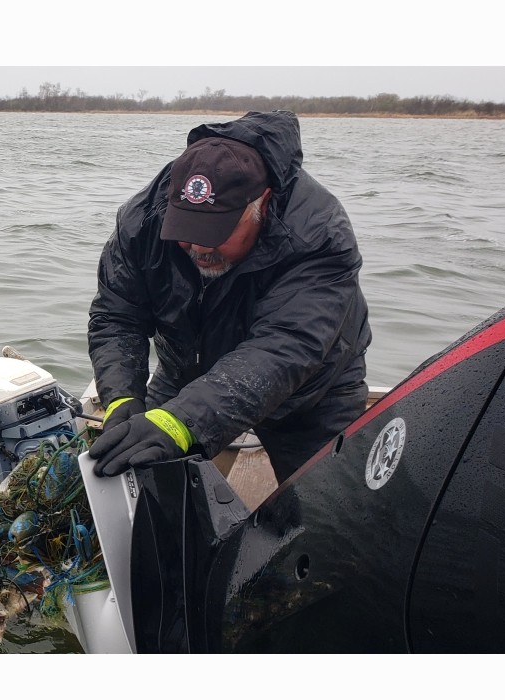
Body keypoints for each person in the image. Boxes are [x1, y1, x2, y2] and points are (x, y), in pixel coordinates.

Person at [87, 110, 371, 483]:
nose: (199, 246)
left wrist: (184, 421)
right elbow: (117, 316)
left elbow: (284, 347)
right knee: (139, 474)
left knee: (326, 512)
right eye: (187, 229)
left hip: (310, 395)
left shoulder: (318, 234)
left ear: (262, 205)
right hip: (185, 373)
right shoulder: (141, 219)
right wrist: (122, 396)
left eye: (216, 231)